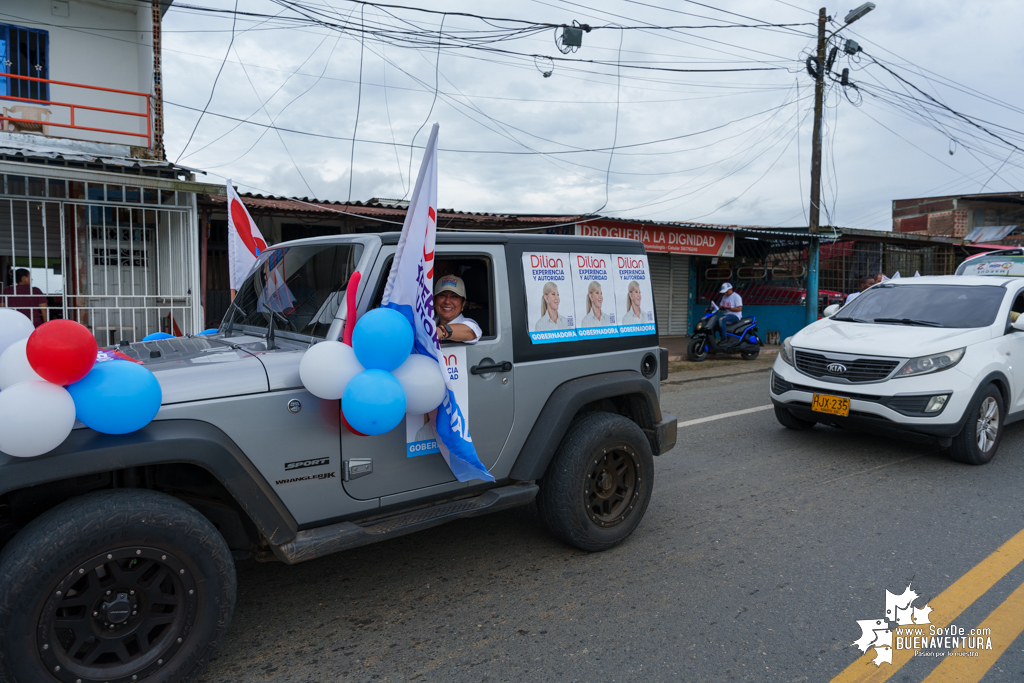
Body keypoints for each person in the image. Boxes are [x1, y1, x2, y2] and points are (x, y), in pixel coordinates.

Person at [434, 274, 481, 343]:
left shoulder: (468, 324)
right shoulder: (430, 321)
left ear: (463, 303)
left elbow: (471, 332)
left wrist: (441, 331)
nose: (447, 301)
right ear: (434, 301)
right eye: (442, 295)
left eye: (454, 296)